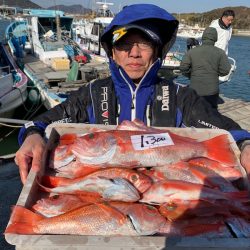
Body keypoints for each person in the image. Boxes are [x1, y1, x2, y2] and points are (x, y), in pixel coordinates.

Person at [14, 4, 250, 184]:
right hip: (104, 196)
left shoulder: (181, 96)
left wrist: (245, 143)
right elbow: (42, 122)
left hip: (167, 197)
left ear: (156, 51)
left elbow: (224, 129)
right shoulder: (92, 94)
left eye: (144, 44)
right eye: (124, 45)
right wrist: (32, 134)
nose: (134, 53)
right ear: (112, 53)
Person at [179, 27, 231, 109]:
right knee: (211, 114)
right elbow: (226, 70)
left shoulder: (192, 52)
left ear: (203, 37)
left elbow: (183, 68)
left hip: (195, 89)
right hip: (212, 90)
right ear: (215, 38)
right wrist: (216, 74)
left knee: (194, 112)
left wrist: (191, 75)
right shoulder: (220, 53)